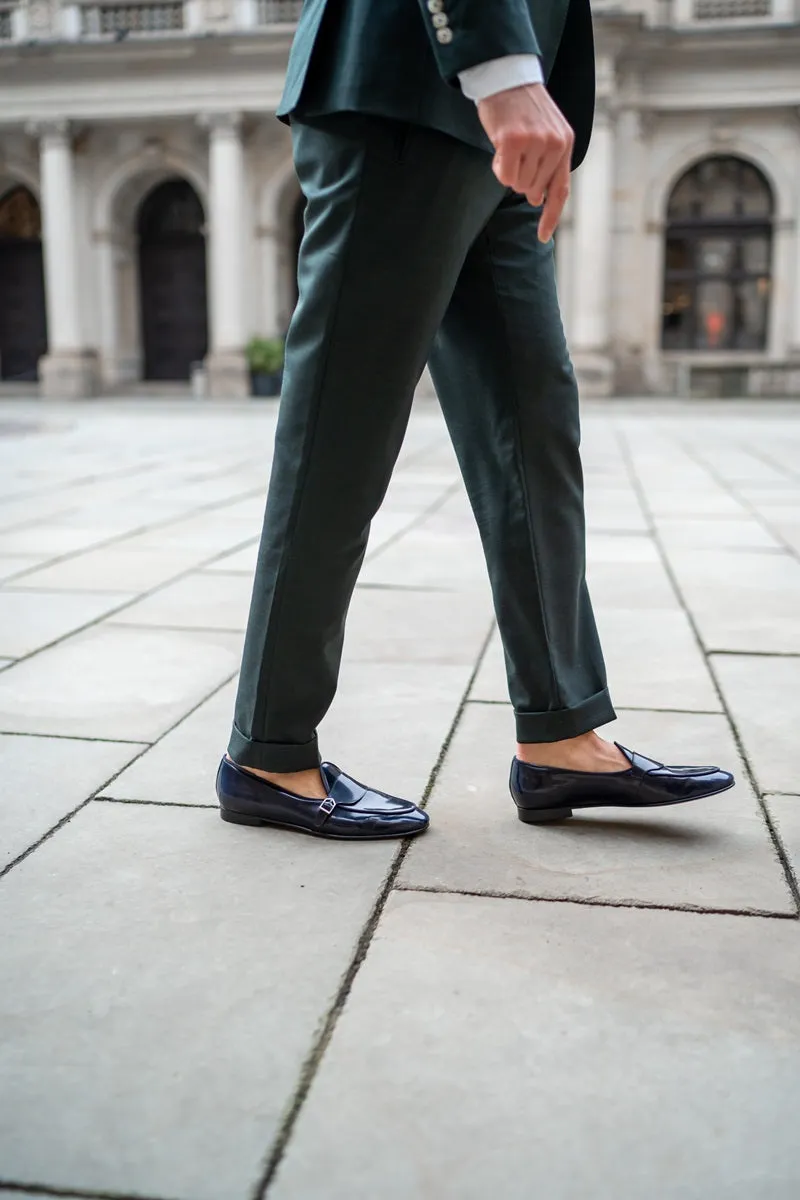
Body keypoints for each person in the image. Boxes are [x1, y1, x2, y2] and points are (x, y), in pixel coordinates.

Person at [216, 0, 734, 838]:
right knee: (344, 435)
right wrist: (499, 70)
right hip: (408, 85)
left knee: (536, 430)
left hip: (508, 120)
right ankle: (268, 752)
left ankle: (563, 733)